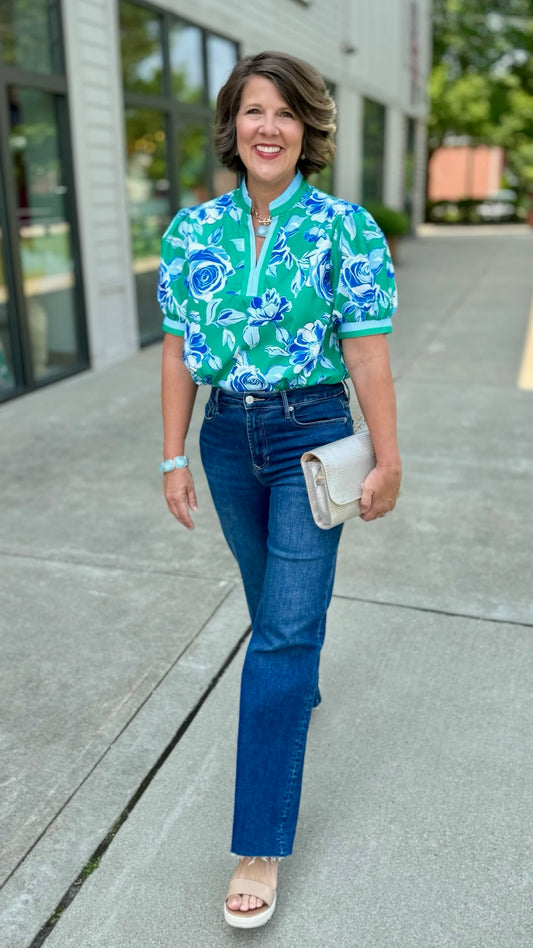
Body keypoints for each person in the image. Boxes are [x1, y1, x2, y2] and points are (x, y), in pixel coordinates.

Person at [158, 50, 401, 929]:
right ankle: (293, 687)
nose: (268, 127)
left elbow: (367, 349)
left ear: (308, 131)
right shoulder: (192, 234)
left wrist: (388, 457)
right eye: (253, 111)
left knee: (284, 638)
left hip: (313, 433)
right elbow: (180, 352)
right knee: (273, 614)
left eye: (286, 113)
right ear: (232, 127)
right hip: (227, 437)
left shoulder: (346, 229)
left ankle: (258, 842)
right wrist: (172, 456)